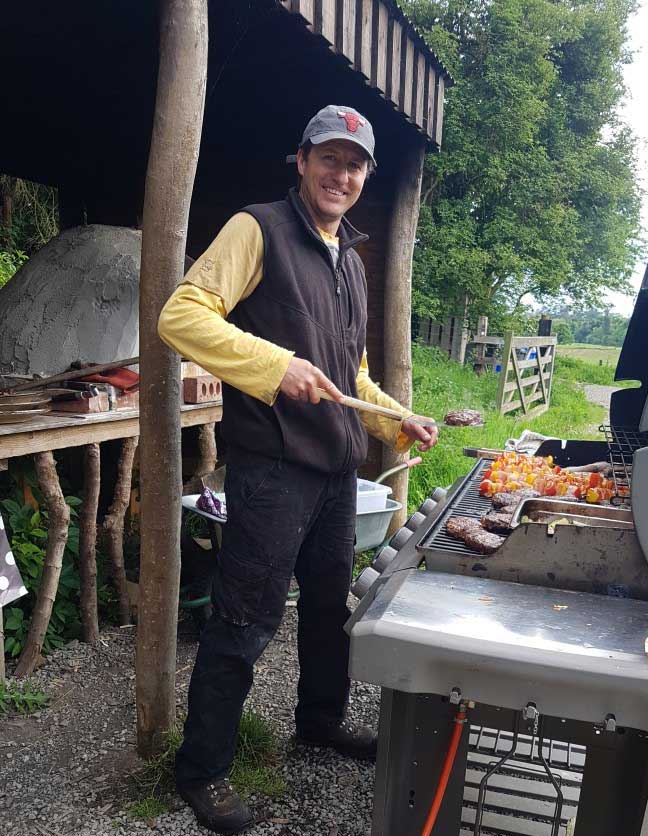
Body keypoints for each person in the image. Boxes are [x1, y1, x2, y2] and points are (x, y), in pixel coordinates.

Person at [157, 104, 439, 834]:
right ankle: (203, 769)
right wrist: (275, 367)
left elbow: (354, 374)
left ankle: (320, 721)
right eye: (329, 158)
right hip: (274, 468)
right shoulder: (257, 229)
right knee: (245, 622)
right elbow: (181, 317)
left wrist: (394, 418)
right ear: (303, 160)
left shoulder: (351, 258)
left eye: (354, 164)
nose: (340, 173)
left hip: (335, 474)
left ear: (365, 175)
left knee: (325, 609)